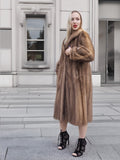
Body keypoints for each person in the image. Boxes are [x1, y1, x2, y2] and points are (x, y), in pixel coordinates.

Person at [53, 10, 95, 157]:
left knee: (81, 113)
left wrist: (74, 50)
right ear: (69, 22)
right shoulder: (66, 39)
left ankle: (81, 142)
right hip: (65, 82)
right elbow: (62, 58)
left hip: (79, 82)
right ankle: (64, 136)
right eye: (73, 19)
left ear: (81, 21)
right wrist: (59, 69)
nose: (75, 21)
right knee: (62, 111)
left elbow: (90, 54)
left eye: (77, 19)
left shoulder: (83, 35)